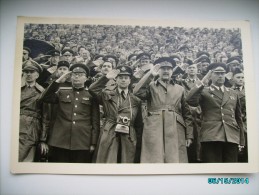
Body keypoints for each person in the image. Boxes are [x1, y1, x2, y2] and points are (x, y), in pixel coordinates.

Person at [133, 57, 193, 163]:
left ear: (172, 71)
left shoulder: (180, 88)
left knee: (175, 159)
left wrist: (189, 135)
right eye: (162, 68)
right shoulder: (151, 86)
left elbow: (187, 113)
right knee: (153, 158)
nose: (166, 71)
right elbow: (137, 92)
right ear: (158, 71)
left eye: (168, 69)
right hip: (154, 126)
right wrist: (150, 75)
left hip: (176, 127)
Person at [39, 63, 100, 163]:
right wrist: (58, 81)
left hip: (82, 142)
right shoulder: (62, 92)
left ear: (86, 78)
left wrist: (93, 143)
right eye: (74, 74)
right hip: (59, 141)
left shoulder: (91, 95)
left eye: (80, 75)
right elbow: (44, 98)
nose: (76, 77)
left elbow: (95, 121)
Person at [186, 63, 245, 163]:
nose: (220, 75)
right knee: (214, 168)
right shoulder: (204, 91)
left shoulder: (233, 92)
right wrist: (203, 81)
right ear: (210, 75)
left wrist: (241, 140)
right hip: (211, 135)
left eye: (222, 73)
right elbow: (189, 99)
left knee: (231, 170)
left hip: (231, 136)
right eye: (217, 73)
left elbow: (238, 117)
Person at [89, 65, 143, 163]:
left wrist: (138, 141)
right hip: (110, 131)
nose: (123, 80)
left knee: (126, 163)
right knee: (107, 161)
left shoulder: (135, 100)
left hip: (128, 134)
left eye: (126, 78)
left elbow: (139, 123)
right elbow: (92, 90)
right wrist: (105, 78)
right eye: (120, 77)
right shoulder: (107, 94)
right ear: (116, 80)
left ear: (130, 80)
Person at [19, 60, 45, 162]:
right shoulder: (15, 88)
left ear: (37, 75)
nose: (29, 74)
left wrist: (43, 139)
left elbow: (46, 117)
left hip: (31, 128)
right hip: (15, 125)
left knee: (24, 159)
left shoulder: (42, 92)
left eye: (32, 72)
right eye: (26, 72)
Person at [231, 68, 247, 162]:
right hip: (234, 123)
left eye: (242, 77)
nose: (241, 79)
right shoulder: (228, 91)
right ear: (233, 79)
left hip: (246, 123)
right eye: (238, 77)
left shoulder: (249, 91)